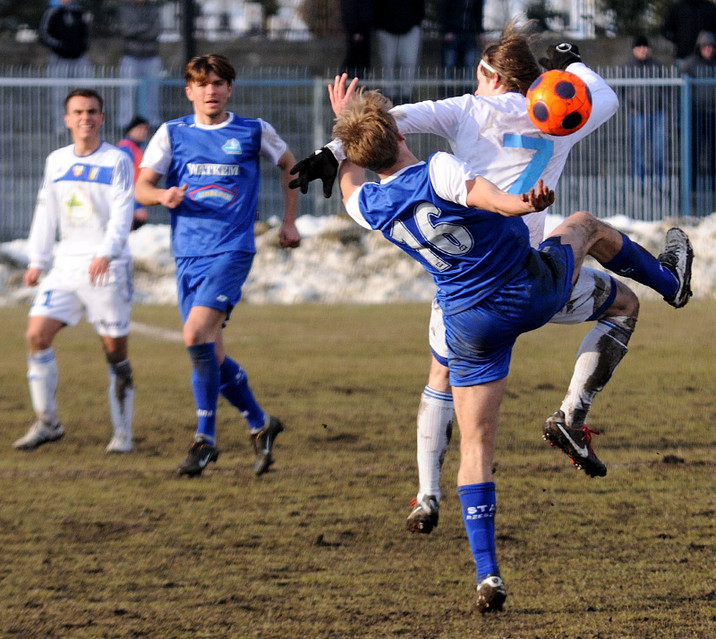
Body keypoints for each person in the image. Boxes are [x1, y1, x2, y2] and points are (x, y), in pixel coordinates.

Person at [328, 80, 693, 612]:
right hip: (526, 289)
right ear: (397, 129)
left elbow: (349, 183)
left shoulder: (367, 207)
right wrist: (528, 200)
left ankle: (488, 576)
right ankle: (670, 283)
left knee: (476, 449)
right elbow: (495, 202)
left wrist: (341, 133)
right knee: (584, 226)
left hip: (469, 324)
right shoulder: (439, 170)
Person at [291, 30, 646, 536]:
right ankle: (572, 412)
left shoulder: (464, 113)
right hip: (535, 274)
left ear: (491, 76)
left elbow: (391, 125)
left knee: (441, 381)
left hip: (466, 285)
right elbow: (601, 96)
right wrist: (571, 66)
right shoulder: (564, 117)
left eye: (479, 72)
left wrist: (333, 147)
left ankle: (427, 495)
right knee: (623, 302)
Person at [135, 53, 301, 477]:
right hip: (187, 254)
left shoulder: (251, 131)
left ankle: (204, 438)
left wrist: (288, 221)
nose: (211, 90)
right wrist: (162, 196)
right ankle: (260, 425)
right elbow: (142, 187)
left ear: (230, 89)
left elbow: (290, 166)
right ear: (189, 91)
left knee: (194, 335)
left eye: (219, 83)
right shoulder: (172, 134)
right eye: (202, 84)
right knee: (210, 349)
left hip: (231, 251)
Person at [13, 88, 136, 455]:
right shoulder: (56, 161)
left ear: (101, 118)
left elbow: (122, 212)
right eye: (78, 112)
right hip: (66, 265)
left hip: (107, 267)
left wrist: (107, 252)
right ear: (67, 119)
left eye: (92, 112)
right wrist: (38, 259)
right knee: (36, 335)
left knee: (114, 352)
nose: (86, 118)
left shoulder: (117, 160)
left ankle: (122, 433)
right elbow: (45, 210)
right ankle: (48, 423)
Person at [38, 0, 92, 132]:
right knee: (59, 93)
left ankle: (83, 124)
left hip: (79, 58)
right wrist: (61, 46)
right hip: (59, 59)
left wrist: (81, 46)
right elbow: (43, 34)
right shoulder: (52, 12)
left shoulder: (78, 11)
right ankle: (60, 125)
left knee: (84, 92)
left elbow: (86, 31)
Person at [621, 35, 666, 184]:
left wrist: (664, 107)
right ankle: (638, 180)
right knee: (637, 150)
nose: (643, 50)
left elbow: (666, 89)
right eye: (639, 47)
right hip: (636, 114)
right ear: (634, 49)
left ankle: (658, 180)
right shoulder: (626, 66)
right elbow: (619, 91)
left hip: (657, 113)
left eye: (645, 47)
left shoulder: (657, 65)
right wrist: (629, 108)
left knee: (658, 150)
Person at [680, 30, 716, 195]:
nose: (708, 50)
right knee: (693, 150)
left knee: (713, 151)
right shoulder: (690, 64)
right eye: (705, 47)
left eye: (711, 47)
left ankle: (713, 186)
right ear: (699, 47)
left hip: (713, 113)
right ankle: (692, 188)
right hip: (695, 113)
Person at [118, 0, 163, 131]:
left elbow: (157, 30)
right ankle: (125, 122)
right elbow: (126, 30)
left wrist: (138, 29)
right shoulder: (126, 8)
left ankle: (152, 121)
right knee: (127, 91)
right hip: (131, 55)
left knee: (153, 90)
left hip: (151, 55)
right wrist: (145, 27)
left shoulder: (154, 8)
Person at [373, 0, 425, 105]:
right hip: (385, 28)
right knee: (388, 62)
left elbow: (419, 7)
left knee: (409, 62)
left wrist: (415, 21)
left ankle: (406, 95)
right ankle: (389, 95)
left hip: (410, 26)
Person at [117, 115, 151, 230]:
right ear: (131, 130)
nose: (143, 132)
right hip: (128, 202)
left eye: (145, 129)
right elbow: (125, 181)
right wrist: (136, 206)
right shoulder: (126, 149)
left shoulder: (136, 148)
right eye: (140, 129)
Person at [662, 0, 716, 67]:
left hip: (709, 59)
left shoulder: (710, 7)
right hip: (683, 57)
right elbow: (666, 29)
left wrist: (711, 42)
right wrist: (679, 40)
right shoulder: (676, 7)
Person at [440, 0, 484, 77]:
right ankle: (447, 88)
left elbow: (478, 14)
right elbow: (444, 11)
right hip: (453, 33)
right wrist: (446, 30)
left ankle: (467, 89)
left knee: (469, 64)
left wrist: (480, 31)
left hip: (469, 34)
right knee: (449, 63)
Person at [340, 0, 373, 77]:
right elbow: (349, 9)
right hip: (358, 31)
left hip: (364, 29)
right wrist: (355, 30)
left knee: (362, 61)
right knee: (355, 60)